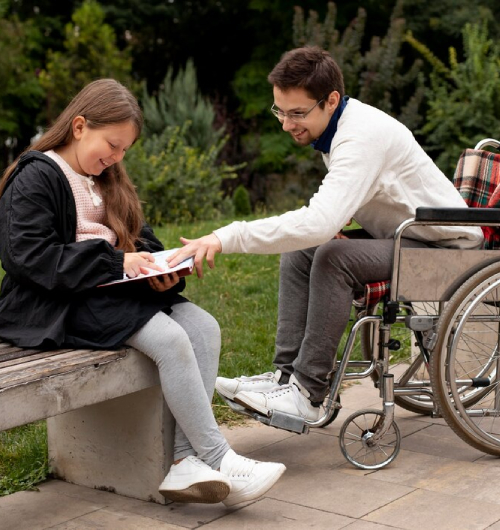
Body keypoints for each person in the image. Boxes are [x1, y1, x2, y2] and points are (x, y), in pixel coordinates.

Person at [0, 79, 285, 506]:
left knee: (203, 327)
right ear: (79, 126)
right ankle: (218, 455)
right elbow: (27, 258)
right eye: (111, 145)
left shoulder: (106, 177)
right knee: (170, 339)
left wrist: (159, 267)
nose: (115, 158)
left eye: (124, 151)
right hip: (56, 302)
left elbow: (139, 237)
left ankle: (186, 463)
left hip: (111, 291)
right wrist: (115, 263)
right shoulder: (36, 175)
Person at [167, 46, 484, 423]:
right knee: (303, 250)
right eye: (280, 111)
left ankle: (308, 393)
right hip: (410, 236)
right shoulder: (341, 126)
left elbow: (319, 221)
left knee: (333, 256)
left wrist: (226, 236)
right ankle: (285, 378)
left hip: (450, 253)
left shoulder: (360, 137)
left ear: (331, 100)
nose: (286, 124)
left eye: (297, 113)